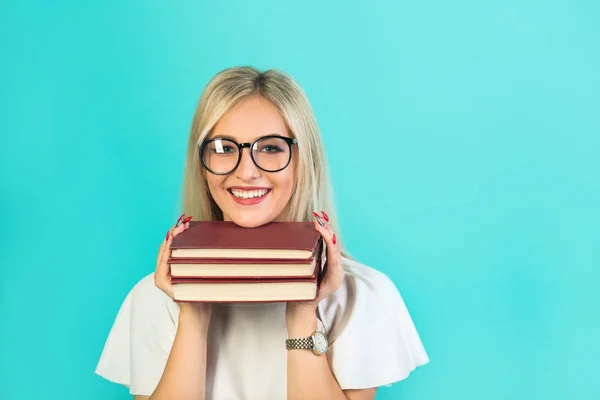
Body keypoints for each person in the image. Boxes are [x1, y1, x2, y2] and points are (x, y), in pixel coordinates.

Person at [95, 66, 429, 400]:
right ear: (202, 163)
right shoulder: (153, 298)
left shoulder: (362, 297)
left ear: (303, 160)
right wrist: (193, 315)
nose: (247, 172)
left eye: (270, 148)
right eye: (224, 148)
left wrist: (302, 313)